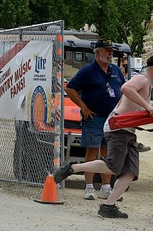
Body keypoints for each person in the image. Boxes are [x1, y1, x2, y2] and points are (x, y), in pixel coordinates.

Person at [53, 55, 153, 218]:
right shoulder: (143, 79)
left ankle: (108, 206)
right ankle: (72, 168)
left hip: (127, 130)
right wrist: (148, 105)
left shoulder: (147, 84)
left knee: (130, 171)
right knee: (113, 166)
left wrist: (147, 107)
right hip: (118, 127)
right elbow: (126, 88)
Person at [65, 39, 125, 200]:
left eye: (111, 50)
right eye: (106, 50)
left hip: (112, 118)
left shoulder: (115, 70)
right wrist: (83, 107)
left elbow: (124, 89)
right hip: (94, 117)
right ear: (98, 53)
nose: (110, 53)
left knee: (108, 152)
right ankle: (89, 187)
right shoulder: (88, 70)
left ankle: (106, 187)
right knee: (92, 150)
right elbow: (70, 87)